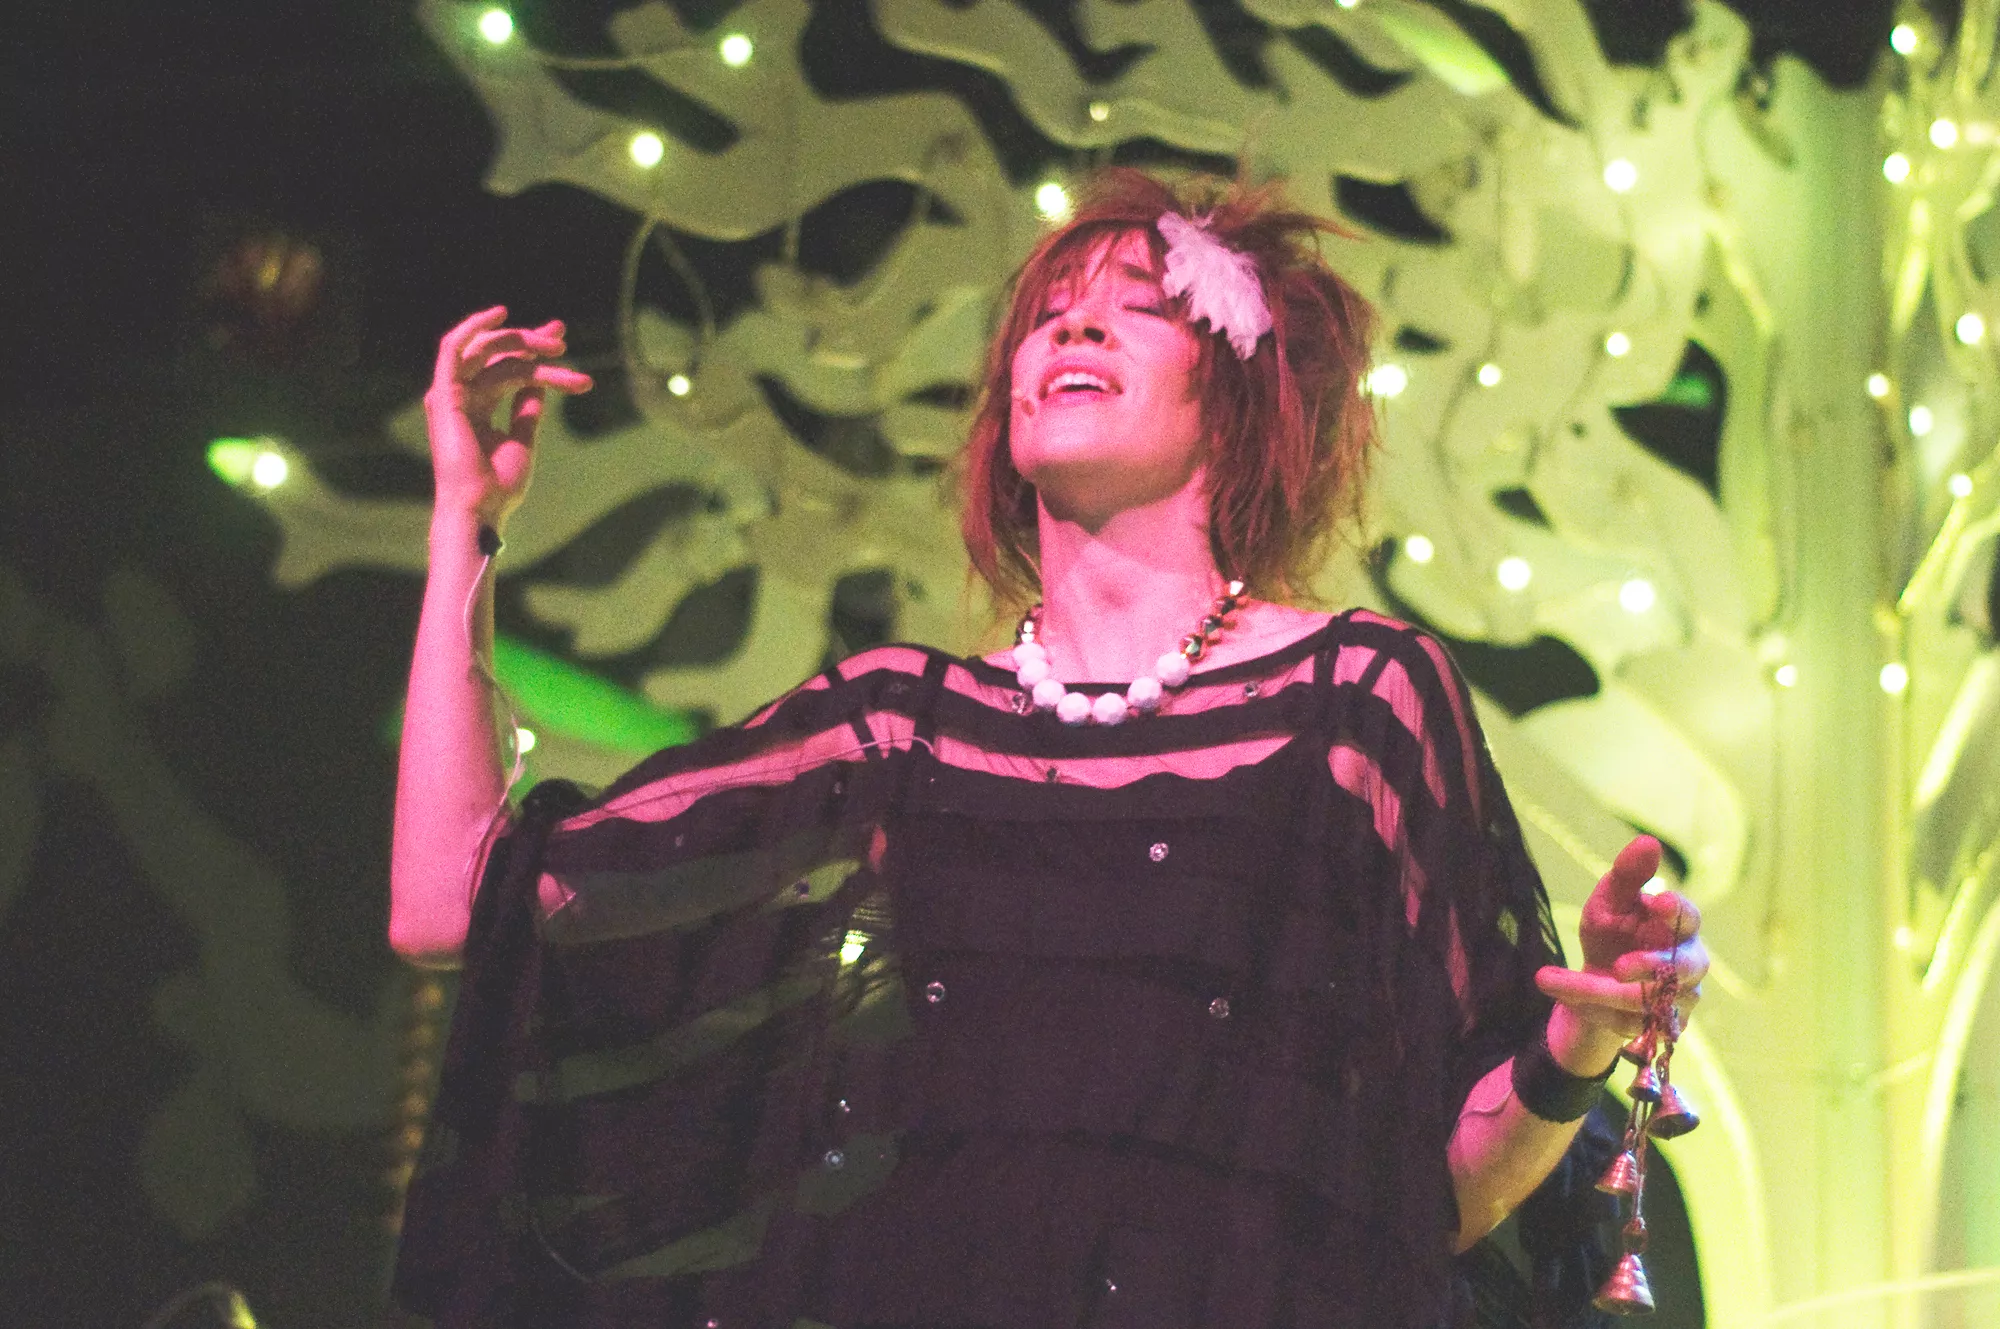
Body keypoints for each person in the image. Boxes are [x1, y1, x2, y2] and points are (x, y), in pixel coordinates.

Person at [388, 168, 1708, 1328]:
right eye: (1045, 314)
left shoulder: (1358, 701)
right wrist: (463, 517)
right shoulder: (902, 729)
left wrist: (1576, 1041)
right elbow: (449, 900)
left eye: (1136, 303)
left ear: (1233, 388)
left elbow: (1433, 1208)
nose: (1069, 326)